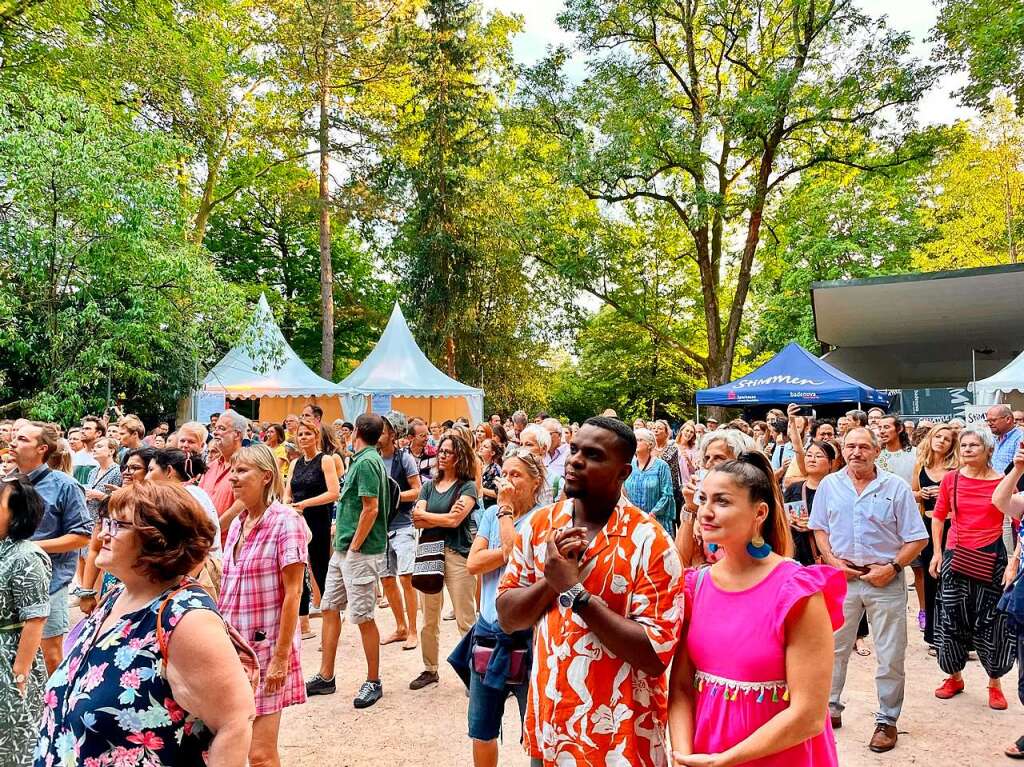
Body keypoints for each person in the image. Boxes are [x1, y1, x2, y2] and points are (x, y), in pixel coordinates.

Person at [496, 417, 682, 767]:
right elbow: (507, 617)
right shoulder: (540, 527)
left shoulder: (651, 543)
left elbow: (654, 656)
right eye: (574, 449)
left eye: (594, 455)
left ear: (623, 472)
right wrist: (551, 581)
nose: (575, 460)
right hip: (551, 732)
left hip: (621, 742)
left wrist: (575, 593)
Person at [34, 482, 255, 767]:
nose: (102, 534)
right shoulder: (117, 596)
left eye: (117, 525)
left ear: (158, 539)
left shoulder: (186, 619)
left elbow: (234, 723)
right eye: (105, 522)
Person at [668, 451, 843, 766]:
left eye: (722, 502)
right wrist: (685, 757)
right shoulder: (696, 586)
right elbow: (681, 687)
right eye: (703, 499)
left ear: (759, 513)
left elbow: (809, 715)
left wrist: (726, 759)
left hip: (781, 755)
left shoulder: (796, 591)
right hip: (707, 753)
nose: (705, 512)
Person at [809, 427, 928, 752]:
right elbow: (819, 527)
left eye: (863, 446)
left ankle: (887, 721)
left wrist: (892, 568)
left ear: (877, 451)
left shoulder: (896, 487)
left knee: (890, 654)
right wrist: (832, 561)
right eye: (850, 446)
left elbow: (918, 538)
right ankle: (828, 710)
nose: (856, 452)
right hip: (842, 579)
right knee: (832, 649)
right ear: (842, 450)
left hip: (885, 579)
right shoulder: (830, 486)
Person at [453, 450, 546, 767]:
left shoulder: (543, 517)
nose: (507, 481)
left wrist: (505, 515)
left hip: (529, 637)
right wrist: (505, 547)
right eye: (505, 473)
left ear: (537, 482)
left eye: (517, 475)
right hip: (488, 632)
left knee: (536, 731)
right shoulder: (492, 515)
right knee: (481, 729)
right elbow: (473, 563)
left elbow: (517, 555)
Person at [219, 444, 307, 766]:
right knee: (233, 744)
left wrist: (281, 658)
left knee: (259, 754)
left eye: (242, 471)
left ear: (267, 476)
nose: (233, 478)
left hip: (267, 649)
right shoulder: (239, 523)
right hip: (232, 648)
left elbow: (294, 593)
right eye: (233, 471)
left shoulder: (286, 522)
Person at [304, 414, 390, 708]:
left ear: (355, 432)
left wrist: (354, 545)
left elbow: (371, 508)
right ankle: (326, 676)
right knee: (329, 608)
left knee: (364, 617)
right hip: (345, 550)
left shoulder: (366, 462)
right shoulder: (363, 458)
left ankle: (373, 681)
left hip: (358, 552)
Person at [929, 425, 1015, 710]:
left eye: (973, 445)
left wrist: (1013, 562)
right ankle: (954, 677)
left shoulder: (1002, 480)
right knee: (951, 616)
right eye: (963, 445)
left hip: (992, 557)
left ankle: (994, 683)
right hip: (956, 555)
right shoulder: (951, 480)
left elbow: (1017, 523)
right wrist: (938, 553)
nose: (966, 450)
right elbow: (939, 516)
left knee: (992, 620)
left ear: (988, 449)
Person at [11, 422, 92, 675]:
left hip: (49, 584)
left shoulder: (65, 486)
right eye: (14, 438)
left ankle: (55, 709)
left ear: (41, 449)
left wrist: (30, 547)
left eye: (23, 439)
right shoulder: (8, 483)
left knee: (50, 656)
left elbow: (82, 536)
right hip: (11, 582)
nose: (13, 443)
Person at [408, 434, 478, 690]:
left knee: (465, 617)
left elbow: (455, 521)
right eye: (441, 450)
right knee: (429, 616)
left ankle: (475, 674)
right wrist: (441, 517)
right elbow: (417, 518)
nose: (442, 455)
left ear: (459, 456)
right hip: (430, 553)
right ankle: (430, 668)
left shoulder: (468, 486)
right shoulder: (428, 485)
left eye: (448, 451)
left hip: (457, 554)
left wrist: (430, 516)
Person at [0, 476, 50, 767]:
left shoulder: (27, 556)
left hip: (9, 656)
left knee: (13, 735)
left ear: (18, 514)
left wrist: (20, 672)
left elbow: (36, 618)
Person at [285, 417, 340, 639]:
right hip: (296, 520)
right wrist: (287, 503)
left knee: (320, 568)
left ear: (316, 436)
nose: (303, 438)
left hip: (318, 519)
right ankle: (303, 623)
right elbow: (287, 490)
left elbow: (333, 492)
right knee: (297, 568)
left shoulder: (325, 460)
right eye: (300, 434)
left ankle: (331, 619)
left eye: (307, 434)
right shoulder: (295, 463)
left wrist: (306, 504)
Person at [912, 423, 959, 648]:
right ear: (930, 438)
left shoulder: (956, 468)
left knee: (952, 581)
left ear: (952, 445)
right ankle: (933, 636)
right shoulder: (921, 465)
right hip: (927, 524)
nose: (941, 441)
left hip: (952, 526)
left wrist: (943, 493)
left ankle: (956, 636)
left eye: (947, 439)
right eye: (938, 436)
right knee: (931, 580)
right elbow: (911, 493)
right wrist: (920, 494)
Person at [378, 411, 422, 651]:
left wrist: (393, 496)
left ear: (393, 434)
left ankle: (413, 630)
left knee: (406, 577)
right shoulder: (372, 457)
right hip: (380, 528)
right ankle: (400, 627)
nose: (378, 434)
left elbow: (417, 490)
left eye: (383, 430)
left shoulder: (404, 459)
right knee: (386, 579)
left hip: (403, 525)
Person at [146, 449, 223, 561]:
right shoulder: (193, 492)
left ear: (169, 471)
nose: (146, 477)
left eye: (150, 470)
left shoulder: (183, 496)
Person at [784, 437, 837, 566]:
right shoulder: (794, 488)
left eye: (819, 456)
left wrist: (815, 525)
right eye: (809, 455)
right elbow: (782, 517)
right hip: (796, 553)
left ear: (831, 463)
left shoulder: (837, 490)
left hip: (827, 555)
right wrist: (792, 521)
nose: (812, 459)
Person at [200, 409, 248, 546]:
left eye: (221, 428)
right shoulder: (210, 466)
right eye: (215, 428)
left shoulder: (247, 464)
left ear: (237, 435)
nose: (215, 432)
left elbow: (241, 505)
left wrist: (212, 533)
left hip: (231, 545)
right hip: (206, 543)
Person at [625, 427, 676, 535]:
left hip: (656, 521)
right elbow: (623, 490)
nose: (636, 443)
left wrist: (653, 513)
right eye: (634, 440)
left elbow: (667, 495)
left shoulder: (661, 466)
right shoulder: (629, 465)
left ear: (650, 444)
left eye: (639, 440)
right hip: (633, 520)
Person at [652, 419, 683, 516]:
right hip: (653, 490)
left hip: (670, 491)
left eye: (659, 428)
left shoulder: (673, 448)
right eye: (654, 428)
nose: (655, 430)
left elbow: (662, 463)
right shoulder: (649, 448)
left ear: (666, 433)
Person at [988, 404, 1024, 473]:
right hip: (994, 482)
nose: (989, 424)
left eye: (993, 420)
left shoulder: (1021, 438)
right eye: (988, 421)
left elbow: (1019, 468)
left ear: (1008, 419)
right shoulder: (993, 438)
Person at [540, 417, 569, 485]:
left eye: (549, 434)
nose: (545, 438)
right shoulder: (540, 454)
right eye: (542, 434)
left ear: (559, 435)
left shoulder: (569, 454)